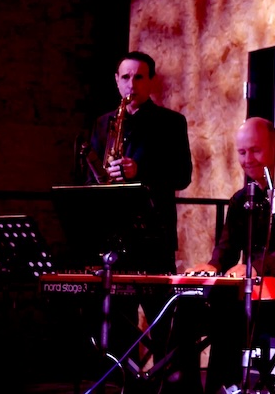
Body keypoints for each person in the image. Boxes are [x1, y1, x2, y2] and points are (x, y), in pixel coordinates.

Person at [185, 116, 275, 393]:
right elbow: (226, 249)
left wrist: (255, 268)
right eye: (242, 152)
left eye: (255, 150)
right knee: (187, 305)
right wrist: (212, 266)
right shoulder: (241, 199)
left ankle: (223, 387)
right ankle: (184, 386)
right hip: (248, 294)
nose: (248, 159)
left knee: (228, 312)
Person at [81, 50, 193, 387]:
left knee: (160, 318)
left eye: (139, 77)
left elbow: (182, 176)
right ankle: (124, 383)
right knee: (117, 321)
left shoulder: (171, 122)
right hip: (115, 235)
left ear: (151, 81)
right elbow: (91, 176)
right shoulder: (103, 123)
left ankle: (164, 385)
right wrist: (103, 177)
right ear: (117, 81)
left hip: (153, 234)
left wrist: (140, 170)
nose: (132, 84)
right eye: (126, 77)